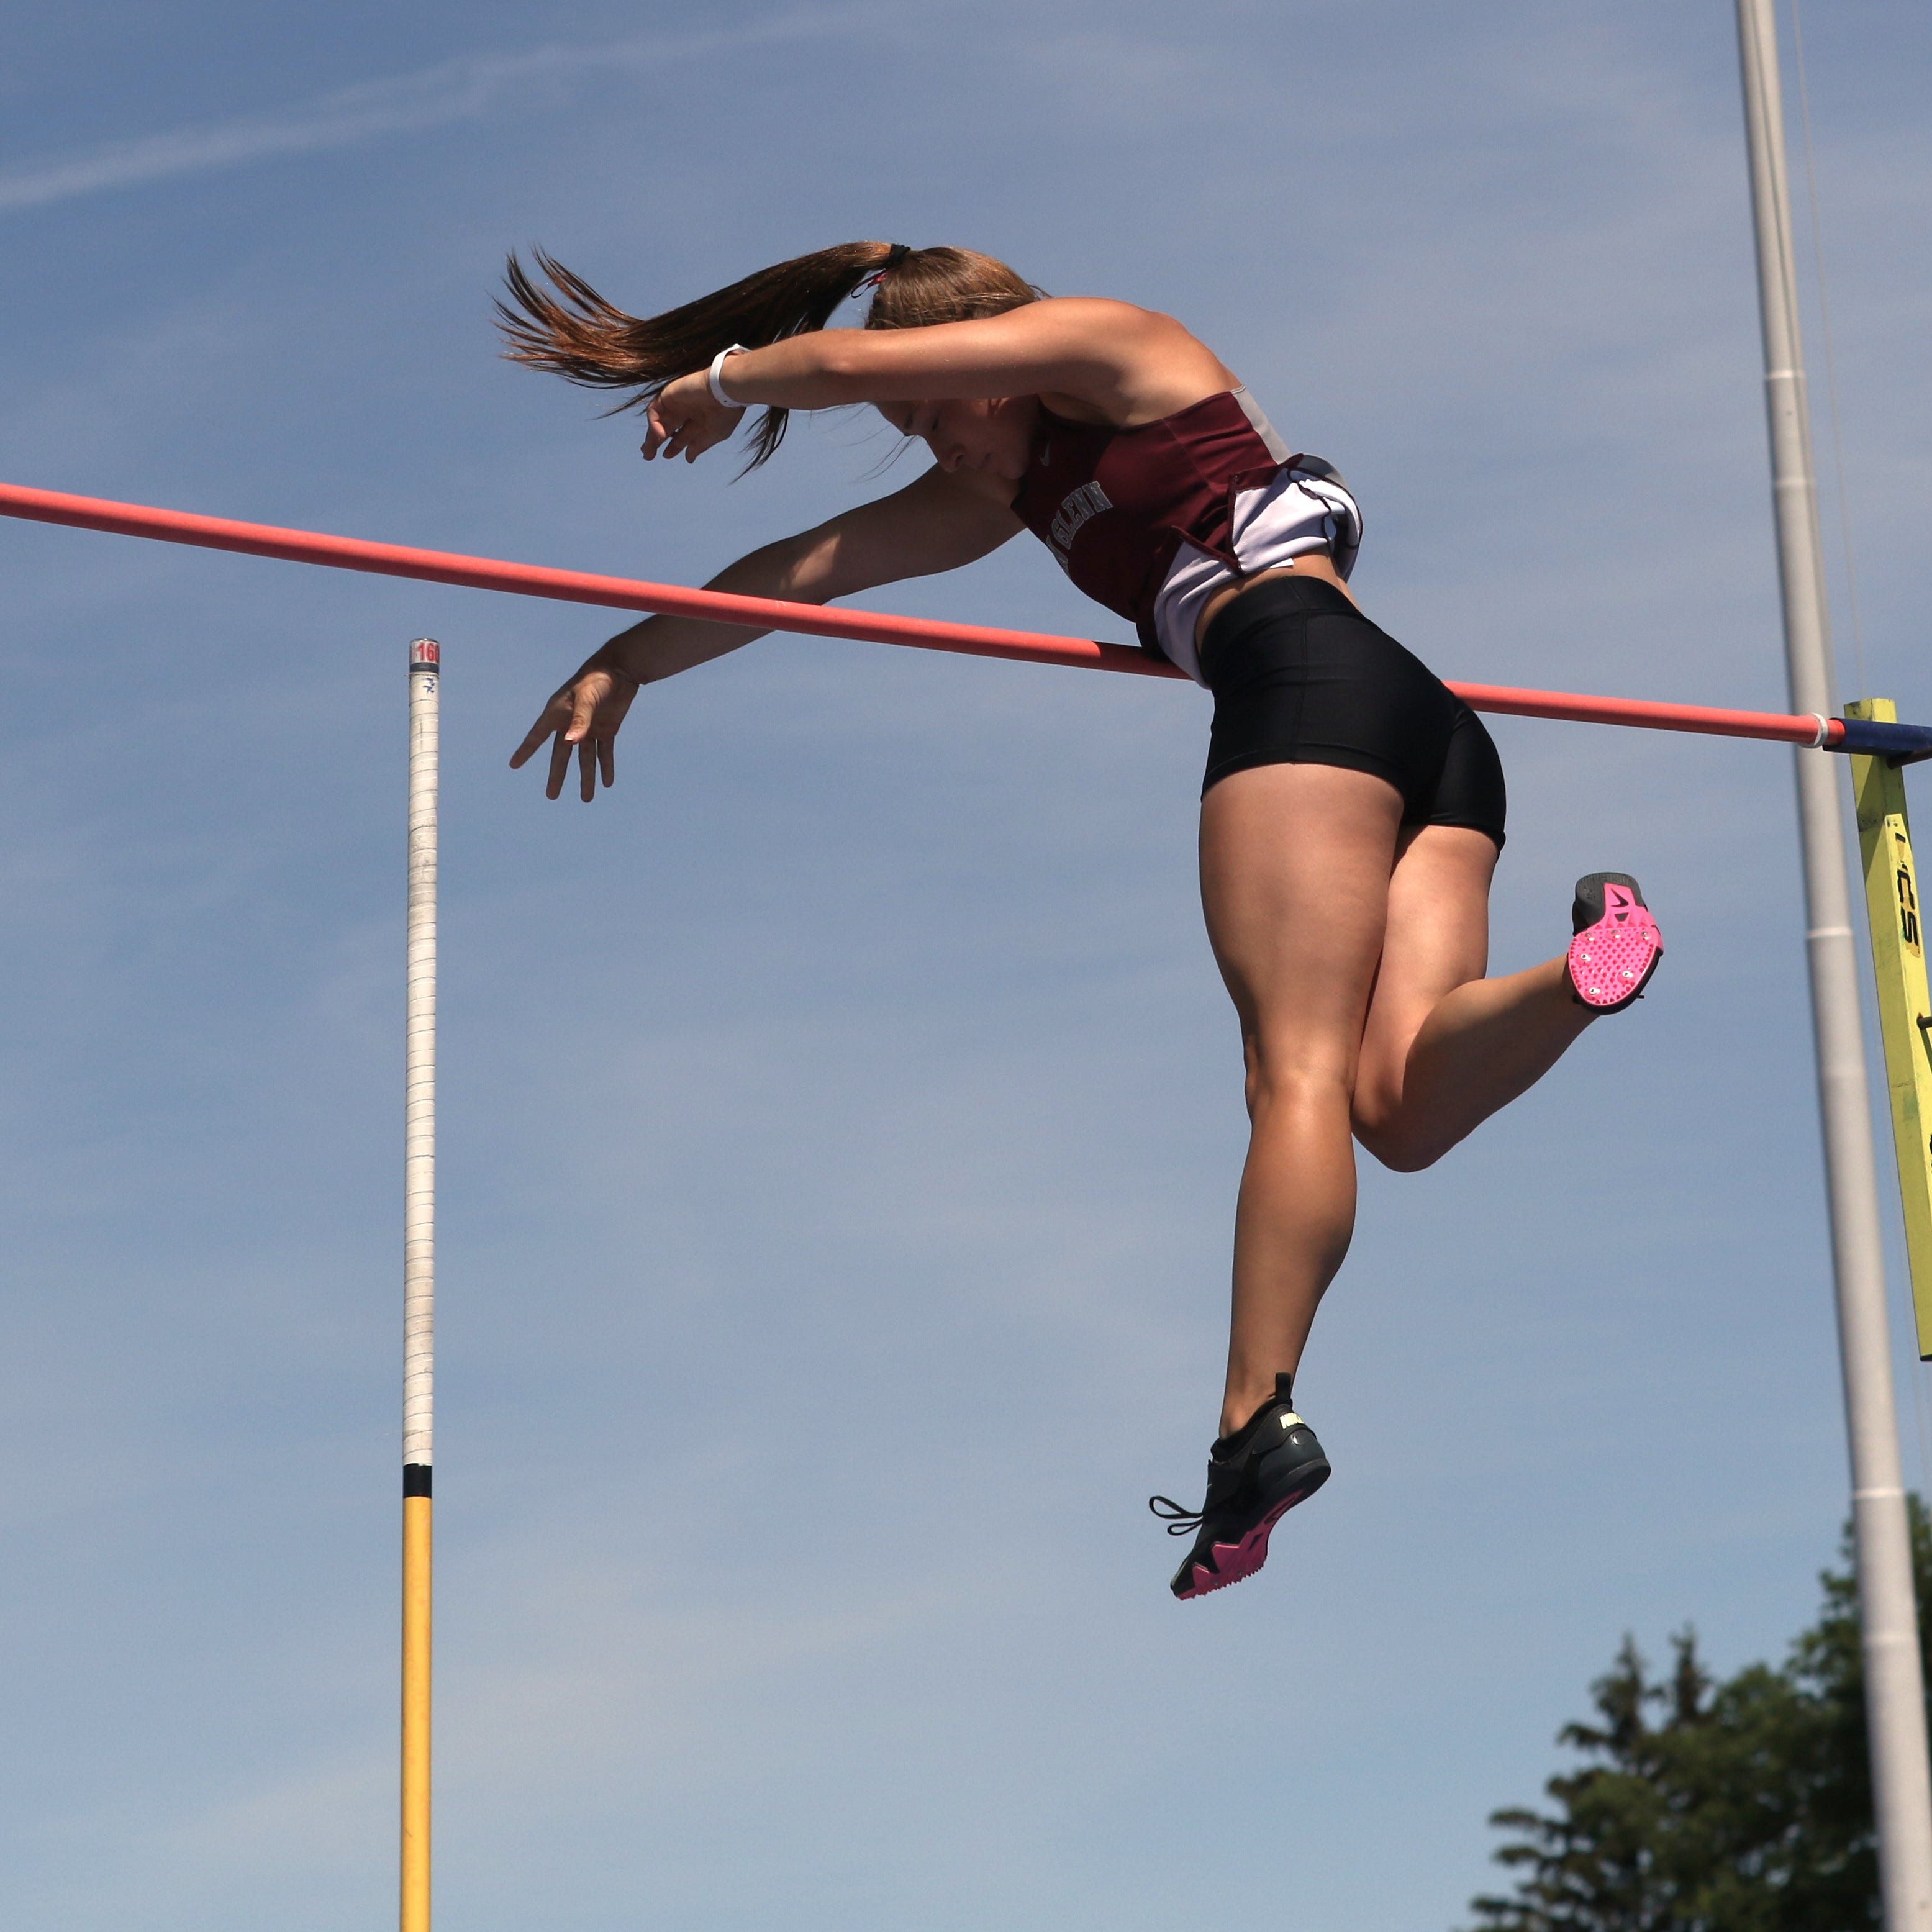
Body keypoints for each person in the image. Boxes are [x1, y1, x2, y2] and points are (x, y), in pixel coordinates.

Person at [499, 240, 1664, 1600]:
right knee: (1394, 1107)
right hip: (1430, 736)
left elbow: (853, 360)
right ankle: (1587, 971)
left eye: (939, 408)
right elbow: (798, 569)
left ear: (992, 356)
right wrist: (625, 656)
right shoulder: (1003, 494)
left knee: (1287, 1071)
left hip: (1303, 696)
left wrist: (716, 382)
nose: (930, 440)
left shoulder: (1122, 350)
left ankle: (1251, 1426)